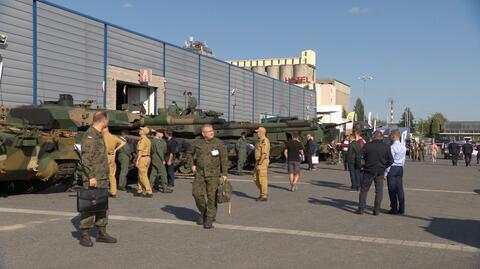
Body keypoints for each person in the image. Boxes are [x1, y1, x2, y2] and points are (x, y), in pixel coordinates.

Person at [79, 111, 117, 247]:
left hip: (102, 177)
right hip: (93, 178)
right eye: (107, 119)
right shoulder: (90, 135)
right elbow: (86, 159)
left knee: (102, 206)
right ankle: (84, 234)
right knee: (89, 206)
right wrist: (91, 177)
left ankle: (102, 233)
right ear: (103, 120)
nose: (108, 121)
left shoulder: (99, 135)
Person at [187, 124, 228, 229]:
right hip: (200, 173)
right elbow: (189, 153)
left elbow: (224, 158)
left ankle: (209, 218)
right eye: (209, 131)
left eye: (212, 130)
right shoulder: (197, 143)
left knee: (212, 197)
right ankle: (203, 211)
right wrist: (192, 165)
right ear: (203, 133)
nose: (211, 132)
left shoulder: (218, 143)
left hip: (214, 174)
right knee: (196, 194)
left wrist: (224, 174)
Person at [357, 131, 393, 216]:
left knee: (364, 190)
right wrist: (384, 166)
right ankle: (376, 210)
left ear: (373, 136)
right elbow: (391, 160)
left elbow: (359, 156)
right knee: (379, 191)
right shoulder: (386, 147)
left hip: (368, 170)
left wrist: (362, 166)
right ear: (382, 137)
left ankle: (361, 209)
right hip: (380, 171)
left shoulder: (368, 145)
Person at [385, 130, 407, 215]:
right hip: (400, 168)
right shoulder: (403, 147)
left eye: (390, 136)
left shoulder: (392, 147)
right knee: (400, 189)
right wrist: (402, 166)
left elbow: (390, 161)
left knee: (392, 189)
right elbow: (404, 159)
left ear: (394, 136)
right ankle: (402, 208)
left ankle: (393, 208)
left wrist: (386, 173)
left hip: (393, 168)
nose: (390, 137)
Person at [102, 127, 126, 198]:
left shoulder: (102, 137)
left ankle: (103, 191)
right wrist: (115, 150)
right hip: (112, 156)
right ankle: (113, 192)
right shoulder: (114, 137)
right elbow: (123, 142)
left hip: (104, 157)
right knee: (112, 175)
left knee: (103, 175)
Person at [134, 126, 153, 198]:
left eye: (141, 130)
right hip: (147, 158)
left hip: (142, 158)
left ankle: (149, 191)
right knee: (141, 174)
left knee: (143, 176)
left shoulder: (143, 140)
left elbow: (140, 151)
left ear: (144, 132)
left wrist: (137, 160)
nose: (139, 130)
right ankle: (140, 190)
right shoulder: (147, 140)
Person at [253, 127, 270, 201]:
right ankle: (262, 193)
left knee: (262, 178)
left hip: (262, 162)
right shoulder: (259, 141)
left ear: (262, 132)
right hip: (258, 161)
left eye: (258, 132)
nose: (257, 133)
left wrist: (260, 163)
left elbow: (264, 154)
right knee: (255, 178)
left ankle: (264, 195)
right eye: (257, 132)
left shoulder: (265, 141)